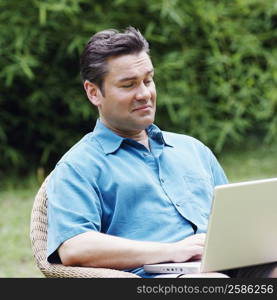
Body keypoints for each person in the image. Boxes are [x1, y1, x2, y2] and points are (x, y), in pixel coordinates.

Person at [46, 26, 277, 278]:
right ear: (93, 92)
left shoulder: (193, 149)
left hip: (225, 267)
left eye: (148, 80)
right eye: (128, 85)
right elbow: (74, 247)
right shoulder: (78, 166)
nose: (144, 94)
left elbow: (234, 223)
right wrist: (170, 251)